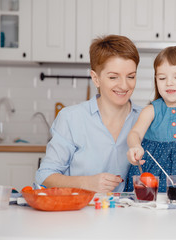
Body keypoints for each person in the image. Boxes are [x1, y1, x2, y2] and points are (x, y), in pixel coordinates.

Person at [35, 35, 142, 193]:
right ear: (96, 78)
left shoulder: (146, 119)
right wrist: (86, 182)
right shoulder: (71, 118)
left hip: (129, 214)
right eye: (113, 77)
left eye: (131, 77)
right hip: (80, 213)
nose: (124, 85)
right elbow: (44, 175)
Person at [124, 46, 176, 193]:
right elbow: (134, 133)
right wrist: (135, 146)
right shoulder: (151, 110)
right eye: (162, 78)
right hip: (149, 176)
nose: (169, 83)